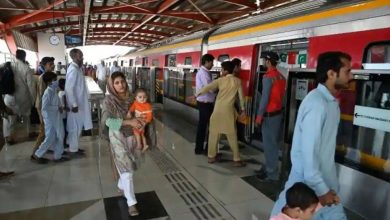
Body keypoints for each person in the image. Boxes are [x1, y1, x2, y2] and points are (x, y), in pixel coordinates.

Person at [271, 51, 353, 220]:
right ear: (331, 74)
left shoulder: (330, 103)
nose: (351, 76)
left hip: (323, 182)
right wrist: (322, 190)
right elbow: (308, 155)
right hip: (307, 186)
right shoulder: (317, 104)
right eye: (347, 71)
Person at [102, 71, 146, 216]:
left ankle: (121, 185)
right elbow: (108, 122)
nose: (121, 85)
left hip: (132, 136)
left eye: (122, 82)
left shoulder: (133, 98)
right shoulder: (109, 101)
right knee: (127, 171)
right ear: (111, 85)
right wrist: (129, 121)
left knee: (130, 168)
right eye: (116, 83)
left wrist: (142, 121)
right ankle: (131, 203)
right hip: (117, 137)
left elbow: (142, 111)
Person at [196, 61, 246, 167]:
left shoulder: (220, 81)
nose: (221, 71)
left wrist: (196, 95)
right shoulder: (237, 81)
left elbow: (207, 88)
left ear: (226, 70)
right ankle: (236, 159)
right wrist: (242, 109)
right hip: (228, 112)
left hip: (217, 111)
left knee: (214, 134)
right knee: (232, 135)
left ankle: (211, 157)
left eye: (222, 69)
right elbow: (241, 97)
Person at [254, 51, 286, 181]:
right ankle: (268, 166)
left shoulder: (268, 77)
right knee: (272, 144)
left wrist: (258, 118)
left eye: (263, 60)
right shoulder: (281, 77)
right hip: (277, 115)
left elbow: (264, 99)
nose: (262, 62)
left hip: (269, 116)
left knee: (269, 145)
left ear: (267, 61)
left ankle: (271, 173)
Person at [31, 72, 69, 163]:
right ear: (49, 82)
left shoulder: (54, 90)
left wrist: (60, 107)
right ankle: (37, 155)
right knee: (50, 137)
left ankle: (58, 156)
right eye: (54, 80)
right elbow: (44, 107)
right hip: (50, 119)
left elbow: (56, 102)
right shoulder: (47, 92)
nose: (56, 81)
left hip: (56, 117)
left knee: (60, 135)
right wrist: (57, 108)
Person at [3, 49, 35, 145]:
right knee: (27, 115)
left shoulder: (8, 66)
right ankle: (28, 132)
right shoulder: (26, 68)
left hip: (9, 96)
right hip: (23, 97)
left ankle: (8, 137)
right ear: (24, 57)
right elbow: (31, 86)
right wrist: (33, 99)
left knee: (9, 118)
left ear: (15, 56)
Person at [65, 49, 92, 157]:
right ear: (74, 57)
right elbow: (69, 89)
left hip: (80, 103)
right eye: (80, 56)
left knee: (77, 126)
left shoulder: (77, 69)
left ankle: (74, 146)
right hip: (76, 105)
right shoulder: (73, 70)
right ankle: (73, 149)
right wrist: (74, 104)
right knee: (74, 127)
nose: (82, 58)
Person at [33, 57, 55, 153]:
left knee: (48, 129)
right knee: (43, 130)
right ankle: (35, 152)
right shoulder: (43, 78)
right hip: (42, 107)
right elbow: (42, 95)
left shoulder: (49, 76)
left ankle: (44, 147)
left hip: (46, 107)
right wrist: (44, 111)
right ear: (44, 66)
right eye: (50, 64)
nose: (53, 66)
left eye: (52, 64)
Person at [194, 54, 215, 155]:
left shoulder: (204, 72)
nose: (212, 64)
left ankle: (201, 149)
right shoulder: (204, 73)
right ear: (206, 62)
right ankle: (205, 150)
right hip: (205, 103)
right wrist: (218, 88)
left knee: (203, 126)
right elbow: (210, 88)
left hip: (204, 103)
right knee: (208, 127)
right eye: (211, 62)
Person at [127, 88, 153, 152]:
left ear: (147, 97)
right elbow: (132, 108)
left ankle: (139, 145)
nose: (142, 99)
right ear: (136, 98)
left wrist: (145, 123)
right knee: (141, 134)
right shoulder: (135, 103)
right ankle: (145, 144)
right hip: (138, 121)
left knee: (137, 133)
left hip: (142, 122)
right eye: (140, 97)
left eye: (144, 97)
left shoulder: (148, 106)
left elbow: (150, 116)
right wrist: (129, 112)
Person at [58, 78, 68, 148]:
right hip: (64, 115)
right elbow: (65, 105)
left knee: (63, 130)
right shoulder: (64, 94)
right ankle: (63, 143)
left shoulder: (59, 93)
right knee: (65, 130)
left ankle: (63, 143)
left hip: (61, 115)